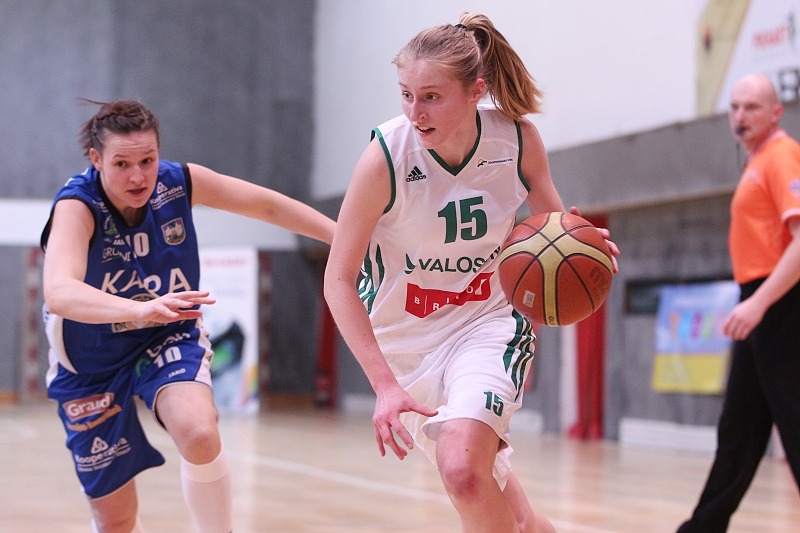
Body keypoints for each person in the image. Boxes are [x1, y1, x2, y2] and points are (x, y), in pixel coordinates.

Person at [324, 13, 618, 533]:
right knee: (511, 513)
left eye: (431, 97)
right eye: (406, 95)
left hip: (487, 324)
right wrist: (384, 386)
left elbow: (555, 229)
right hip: (404, 344)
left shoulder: (517, 141)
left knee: (461, 471)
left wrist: (584, 247)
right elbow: (338, 280)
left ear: (475, 91)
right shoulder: (385, 158)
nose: (415, 112)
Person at [41, 99, 335, 533]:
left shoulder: (179, 183)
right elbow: (59, 291)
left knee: (199, 431)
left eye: (147, 160)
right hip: (89, 360)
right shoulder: (77, 205)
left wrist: (344, 239)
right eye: (122, 164)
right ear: (96, 159)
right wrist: (138, 309)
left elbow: (267, 206)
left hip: (165, 335)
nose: (138, 176)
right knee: (115, 520)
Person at [677, 73, 800, 532]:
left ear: (775, 113)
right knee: (740, 429)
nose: (740, 116)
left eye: (751, 107)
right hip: (762, 303)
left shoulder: (781, 156)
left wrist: (759, 304)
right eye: (734, 107)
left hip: (782, 303)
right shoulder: (758, 161)